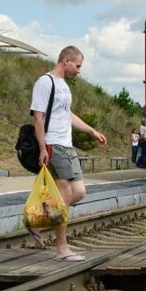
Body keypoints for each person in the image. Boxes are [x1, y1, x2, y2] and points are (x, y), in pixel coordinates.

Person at [30, 45, 106, 261]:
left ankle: (37, 220)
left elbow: (67, 114)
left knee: (79, 192)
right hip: (54, 143)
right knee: (64, 194)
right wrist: (43, 148)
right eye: (78, 65)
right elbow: (38, 118)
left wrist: (91, 131)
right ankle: (62, 249)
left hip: (67, 144)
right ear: (66, 60)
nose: (79, 71)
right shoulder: (45, 82)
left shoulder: (64, 86)